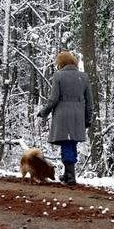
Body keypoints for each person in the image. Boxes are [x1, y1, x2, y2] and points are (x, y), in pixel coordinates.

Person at [37, 51, 93, 185]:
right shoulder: (83, 77)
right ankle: (68, 174)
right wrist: (88, 118)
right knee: (71, 143)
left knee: (67, 144)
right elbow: (89, 101)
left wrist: (44, 112)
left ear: (61, 63)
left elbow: (53, 99)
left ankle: (70, 176)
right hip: (78, 116)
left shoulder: (58, 76)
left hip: (63, 115)